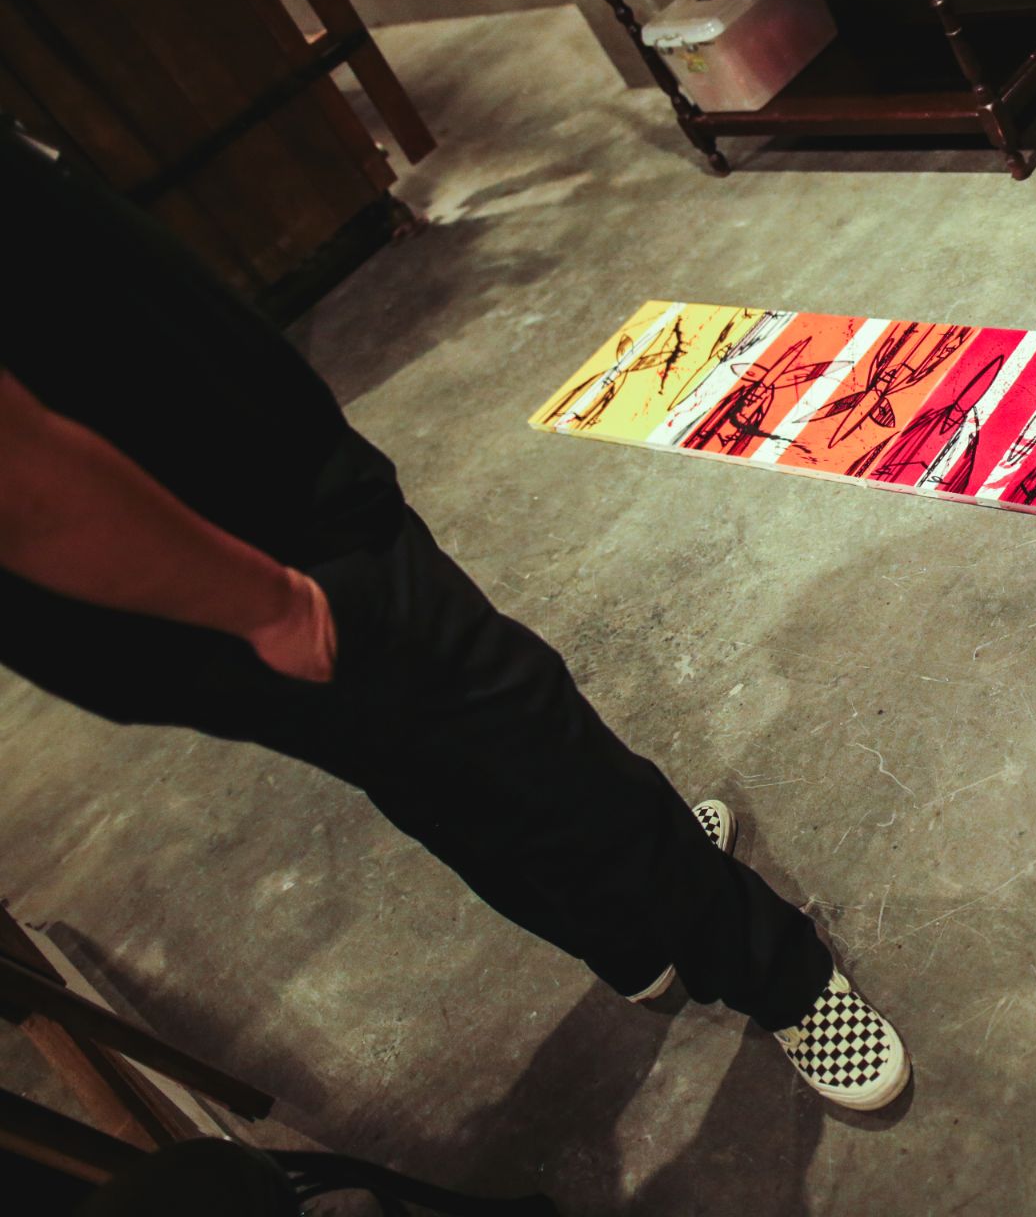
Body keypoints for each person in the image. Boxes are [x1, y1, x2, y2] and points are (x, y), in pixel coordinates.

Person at [0, 121, 907, 1107]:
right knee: (528, 737)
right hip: (246, 542)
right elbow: (20, 482)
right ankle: (777, 973)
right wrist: (269, 603)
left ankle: (625, 934)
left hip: (207, 534)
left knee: (422, 763)